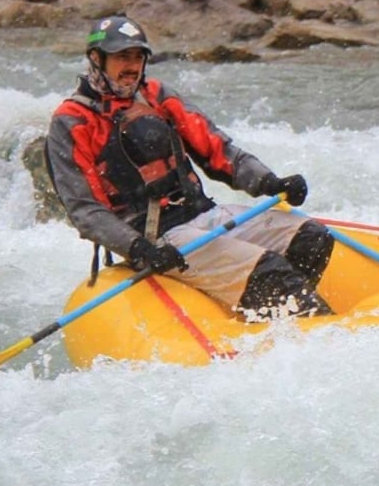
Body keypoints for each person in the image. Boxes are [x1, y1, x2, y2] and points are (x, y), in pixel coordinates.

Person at [46, 16, 334, 318]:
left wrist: (270, 182)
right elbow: (85, 210)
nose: (131, 66)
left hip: (204, 214)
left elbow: (218, 150)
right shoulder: (72, 121)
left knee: (312, 238)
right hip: (155, 239)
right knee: (270, 273)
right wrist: (138, 248)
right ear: (96, 59)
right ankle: (290, 307)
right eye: (121, 57)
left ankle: (266, 311)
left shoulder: (156, 95)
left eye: (137, 57)